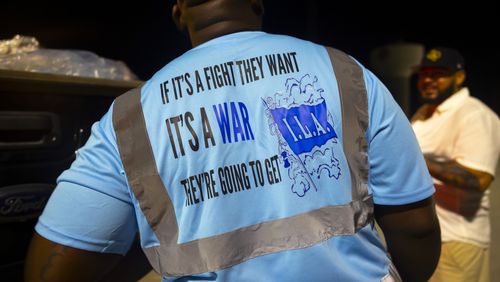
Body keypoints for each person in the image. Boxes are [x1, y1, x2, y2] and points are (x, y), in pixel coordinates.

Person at [24, 1, 440, 281]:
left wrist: (156, 244)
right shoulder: (344, 74)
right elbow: (417, 228)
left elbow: (51, 270)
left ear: (178, 12)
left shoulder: (133, 116)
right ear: (257, 3)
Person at [412, 47, 500, 282]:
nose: (428, 79)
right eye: (424, 73)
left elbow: (478, 179)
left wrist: (414, 158)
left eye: (438, 74)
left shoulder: (473, 114)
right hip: (424, 238)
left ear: (459, 78)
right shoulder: (423, 114)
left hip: (456, 241)